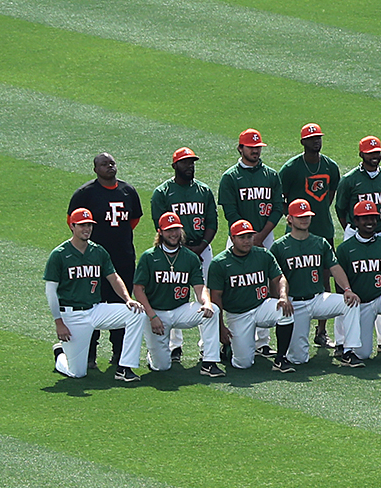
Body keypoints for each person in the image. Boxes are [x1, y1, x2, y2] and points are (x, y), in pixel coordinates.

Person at [69, 151, 146, 373]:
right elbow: (72, 222)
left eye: (112, 163)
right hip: (93, 261)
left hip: (123, 259)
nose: (109, 167)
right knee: (92, 305)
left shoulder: (128, 191)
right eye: (104, 164)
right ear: (95, 169)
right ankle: (89, 354)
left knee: (121, 304)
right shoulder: (85, 194)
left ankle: (119, 353)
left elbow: (134, 220)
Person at [46, 207, 143, 382]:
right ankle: (60, 354)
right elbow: (51, 291)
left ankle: (124, 367)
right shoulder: (59, 254)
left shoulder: (98, 251)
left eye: (89, 225)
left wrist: (128, 300)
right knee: (77, 373)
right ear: (72, 226)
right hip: (72, 315)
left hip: (96, 309)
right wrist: (58, 322)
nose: (87, 229)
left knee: (136, 313)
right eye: (82, 225)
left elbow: (113, 278)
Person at [272, 199, 356, 371]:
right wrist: (280, 299)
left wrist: (347, 289)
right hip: (295, 304)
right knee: (298, 358)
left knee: (350, 303)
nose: (304, 219)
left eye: (307, 216)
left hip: (318, 299)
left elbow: (335, 267)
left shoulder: (320, 243)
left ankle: (349, 351)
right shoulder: (279, 246)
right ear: (289, 219)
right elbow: (274, 278)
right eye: (300, 217)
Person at [136, 211, 213, 376]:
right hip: (157, 313)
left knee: (213, 311)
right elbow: (138, 289)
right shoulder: (149, 257)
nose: (173, 234)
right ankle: (153, 356)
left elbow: (200, 287)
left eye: (176, 229)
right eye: (169, 230)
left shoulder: (190, 257)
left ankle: (210, 361)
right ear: (160, 232)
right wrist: (152, 316)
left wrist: (206, 302)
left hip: (180, 310)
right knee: (162, 366)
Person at [204, 220, 288, 373]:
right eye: (242, 237)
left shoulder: (263, 254)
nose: (246, 241)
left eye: (249, 236)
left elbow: (279, 278)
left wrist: (283, 296)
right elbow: (216, 298)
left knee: (285, 311)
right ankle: (228, 350)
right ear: (232, 238)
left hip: (262, 306)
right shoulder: (220, 263)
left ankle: (281, 359)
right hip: (238, 315)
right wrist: (221, 327)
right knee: (243, 363)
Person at [335, 199, 381, 366]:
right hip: (360, 303)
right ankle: (348, 349)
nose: (370, 222)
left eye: (373, 218)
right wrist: (346, 298)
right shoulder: (346, 248)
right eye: (365, 218)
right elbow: (339, 280)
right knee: (363, 354)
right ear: (356, 221)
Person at [150, 147, 219, 266]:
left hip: (203, 249)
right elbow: (160, 226)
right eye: (184, 162)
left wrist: (201, 247)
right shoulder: (162, 193)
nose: (190, 166)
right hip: (173, 250)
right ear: (174, 166)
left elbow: (212, 223)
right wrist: (183, 248)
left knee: (206, 284)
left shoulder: (204, 191)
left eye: (191, 162)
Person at [219, 129, 283, 252]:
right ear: (240, 148)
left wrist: (260, 236)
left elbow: (278, 208)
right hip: (238, 236)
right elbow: (230, 213)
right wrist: (247, 236)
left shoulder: (271, 175)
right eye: (250, 147)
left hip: (266, 236)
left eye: (258, 147)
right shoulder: (230, 177)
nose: (255, 151)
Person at [279, 123, 343, 246]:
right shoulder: (290, 169)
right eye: (311, 139)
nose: (316, 141)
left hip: (324, 228)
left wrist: (320, 209)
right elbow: (279, 198)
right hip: (296, 232)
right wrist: (293, 216)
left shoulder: (331, 167)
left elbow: (330, 196)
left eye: (318, 138)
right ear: (302, 142)